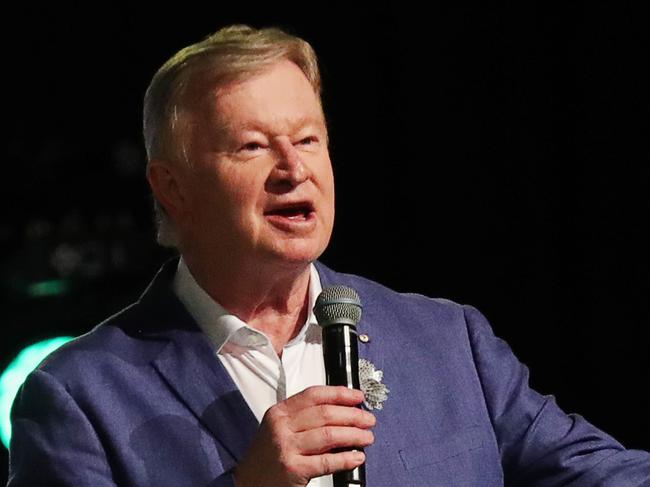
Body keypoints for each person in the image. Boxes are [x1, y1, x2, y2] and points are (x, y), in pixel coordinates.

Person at [7, 24, 650, 487]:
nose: (294, 170)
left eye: (309, 139)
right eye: (253, 147)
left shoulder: (447, 341)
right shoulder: (78, 399)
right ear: (173, 189)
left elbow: (599, 473)